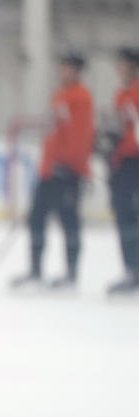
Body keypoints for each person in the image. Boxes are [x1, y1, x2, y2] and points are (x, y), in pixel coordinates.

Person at [11, 51, 94, 291]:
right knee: (37, 217)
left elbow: (81, 135)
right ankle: (35, 271)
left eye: (69, 67)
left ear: (77, 71)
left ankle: (71, 275)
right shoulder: (60, 95)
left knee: (69, 220)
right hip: (50, 169)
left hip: (69, 170)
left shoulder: (81, 97)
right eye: (63, 66)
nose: (64, 71)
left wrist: (70, 163)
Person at [105, 46, 139, 295]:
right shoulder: (121, 94)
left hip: (134, 160)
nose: (119, 68)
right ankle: (132, 269)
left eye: (123, 63)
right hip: (124, 162)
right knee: (124, 213)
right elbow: (121, 129)